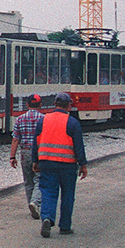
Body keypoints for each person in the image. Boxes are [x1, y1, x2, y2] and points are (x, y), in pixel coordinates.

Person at [32, 92, 89, 238]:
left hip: (47, 163)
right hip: (67, 165)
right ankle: (65, 226)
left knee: (48, 192)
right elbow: (78, 146)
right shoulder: (72, 122)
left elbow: (36, 143)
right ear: (69, 105)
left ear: (55, 104)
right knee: (68, 195)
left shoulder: (43, 120)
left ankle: (47, 218)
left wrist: (35, 161)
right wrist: (83, 164)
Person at [9, 93, 45, 218]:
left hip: (25, 152)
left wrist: (12, 157)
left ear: (27, 104)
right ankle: (35, 203)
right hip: (39, 153)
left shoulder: (20, 119)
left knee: (28, 181)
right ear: (40, 105)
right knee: (39, 179)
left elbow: (15, 139)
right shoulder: (44, 119)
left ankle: (31, 205)